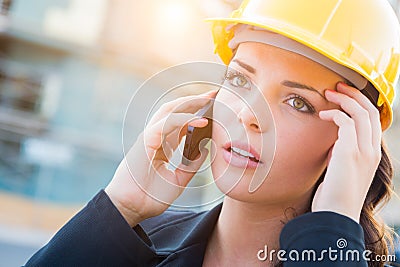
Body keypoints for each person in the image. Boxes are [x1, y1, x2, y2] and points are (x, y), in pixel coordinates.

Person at [25, 0, 400, 266]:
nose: (245, 113)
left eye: (298, 102)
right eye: (239, 79)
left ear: (350, 141)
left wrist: (331, 236)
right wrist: (121, 207)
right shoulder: (127, 245)